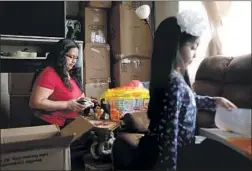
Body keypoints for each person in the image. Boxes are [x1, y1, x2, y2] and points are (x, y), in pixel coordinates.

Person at [112, 10, 251, 171]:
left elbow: (190, 99)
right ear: (176, 47)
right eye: (192, 47)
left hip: (181, 147)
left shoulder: (176, 80)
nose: (195, 54)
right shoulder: (175, 84)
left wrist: (215, 101)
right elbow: (169, 137)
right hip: (173, 153)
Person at [29, 39, 88, 128]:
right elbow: (35, 102)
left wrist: (85, 101)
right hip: (50, 126)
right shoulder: (49, 73)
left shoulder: (70, 73)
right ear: (60, 56)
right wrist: (67, 105)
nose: (74, 61)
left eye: (76, 57)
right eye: (71, 57)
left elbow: (73, 96)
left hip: (68, 123)